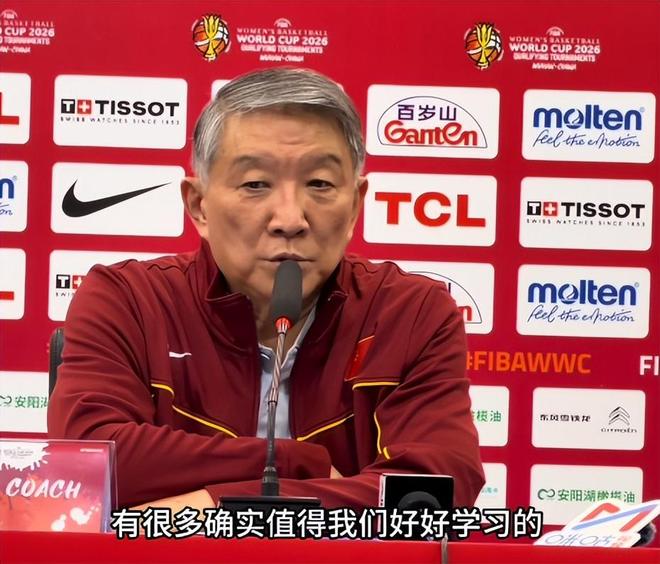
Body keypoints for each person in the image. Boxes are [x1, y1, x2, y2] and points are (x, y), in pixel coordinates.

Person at [47, 67, 484, 512]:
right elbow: (87, 462)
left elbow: (433, 495)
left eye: (320, 184)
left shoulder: (410, 313)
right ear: (199, 206)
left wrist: (215, 508)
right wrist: (295, 463)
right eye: (255, 184)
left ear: (355, 205)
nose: (290, 219)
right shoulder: (129, 301)